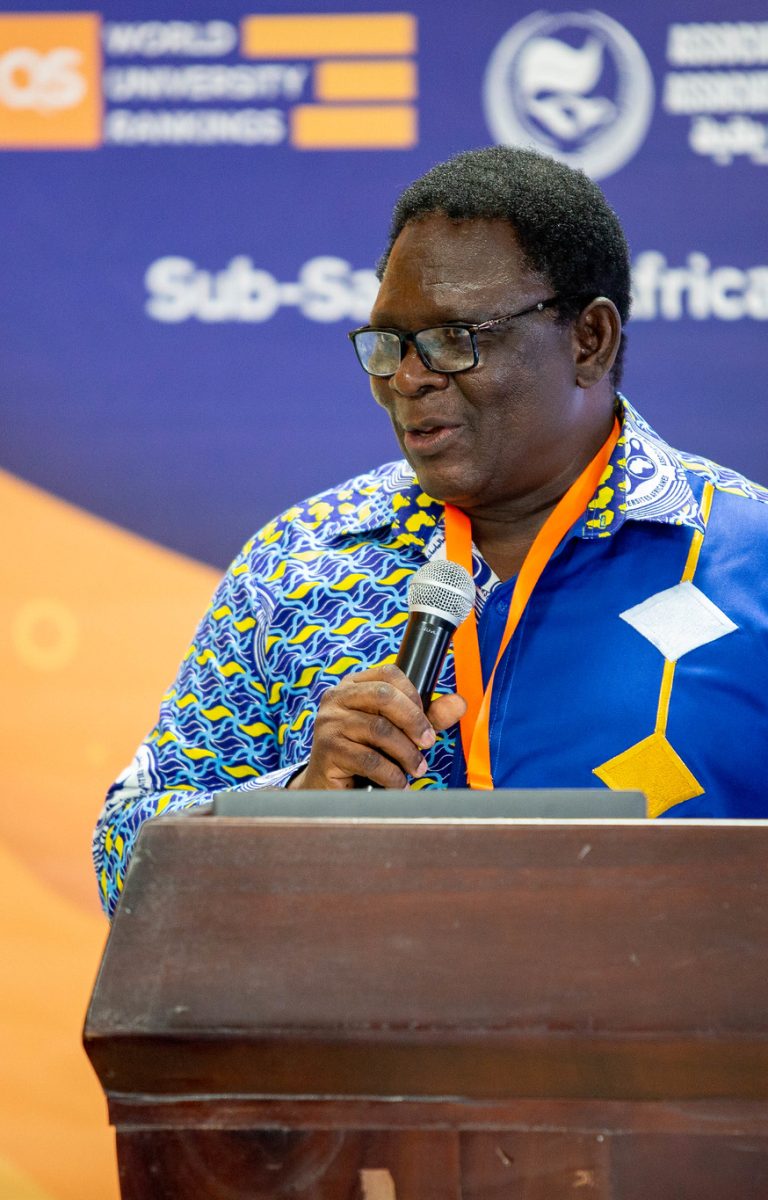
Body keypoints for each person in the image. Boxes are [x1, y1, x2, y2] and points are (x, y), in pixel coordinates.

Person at [94, 146, 768, 917]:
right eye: (390, 344)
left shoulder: (746, 557)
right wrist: (300, 797)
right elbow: (123, 864)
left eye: (455, 337)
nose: (409, 379)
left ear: (589, 340)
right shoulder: (301, 562)